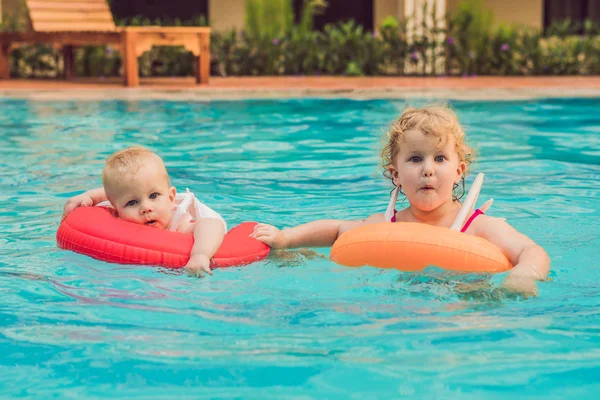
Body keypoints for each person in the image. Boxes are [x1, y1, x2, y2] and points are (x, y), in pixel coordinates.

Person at [251, 105, 550, 296]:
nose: (428, 169)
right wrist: (285, 238)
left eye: (440, 158)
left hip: (463, 301)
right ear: (396, 174)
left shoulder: (479, 227)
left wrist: (524, 278)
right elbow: (337, 230)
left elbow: (531, 250)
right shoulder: (386, 225)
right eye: (416, 158)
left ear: (459, 172)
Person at [62, 147, 226, 276]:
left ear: (171, 198)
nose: (146, 207)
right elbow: (118, 193)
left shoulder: (179, 225)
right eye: (132, 202)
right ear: (116, 211)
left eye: (154, 195)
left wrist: (200, 255)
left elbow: (212, 224)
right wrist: (88, 196)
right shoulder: (115, 222)